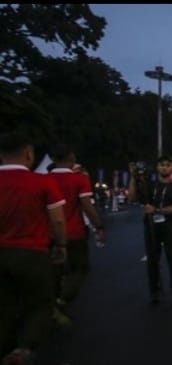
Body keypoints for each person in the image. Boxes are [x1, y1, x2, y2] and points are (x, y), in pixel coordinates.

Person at [0, 132, 66, 365]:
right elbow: (57, 220)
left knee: (5, 304)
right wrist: (60, 245)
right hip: (32, 254)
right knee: (40, 303)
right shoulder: (42, 182)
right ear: (28, 154)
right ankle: (24, 349)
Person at [48, 143, 105, 323]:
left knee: (55, 271)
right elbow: (87, 206)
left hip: (49, 234)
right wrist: (99, 226)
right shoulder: (79, 179)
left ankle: (51, 306)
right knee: (80, 269)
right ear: (72, 157)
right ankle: (61, 301)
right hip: (74, 233)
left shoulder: (43, 179)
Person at [128, 155, 172, 306]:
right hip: (151, 226)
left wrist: (158, 209)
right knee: (153, 261)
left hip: (168, 227)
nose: (164, 167)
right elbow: (132, 198)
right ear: (157, 167)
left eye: (168, 165)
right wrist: (133, 177)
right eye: (161, 165)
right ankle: (154, 291)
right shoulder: (150, 185)